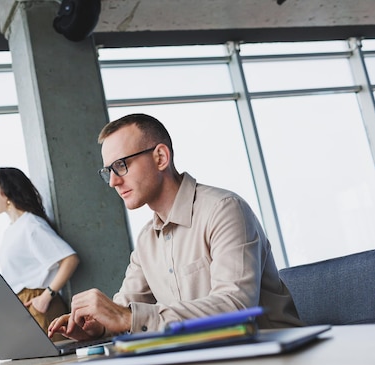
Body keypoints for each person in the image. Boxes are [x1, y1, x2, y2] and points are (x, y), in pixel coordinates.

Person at [48, 113, 303, 341]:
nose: (113, 181)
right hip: (208, 362)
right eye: (108, 171)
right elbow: (124, 308)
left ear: (160, 157)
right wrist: (99, 326)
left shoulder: (224, 209)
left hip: (271, 359)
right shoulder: (148, 240)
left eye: (121, 165)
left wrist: (127, 318)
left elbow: (236, 307)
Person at [0, 167, 80, 340]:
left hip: (39, 304)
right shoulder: (11, 230)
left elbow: (70, 259)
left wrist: (46, 297)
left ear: (6, 192)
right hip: (24, 306)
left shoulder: (31, 225)